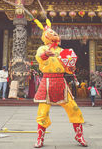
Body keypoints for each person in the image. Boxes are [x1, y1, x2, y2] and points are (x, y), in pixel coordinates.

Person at [32, 18, 87, 147]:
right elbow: (39, 58)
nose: (54, 34)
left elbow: (67, 68)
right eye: (51, 33)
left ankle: (79, 135)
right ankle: (40, 138)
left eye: (55, 33)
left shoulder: (63, 51)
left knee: (74, 108)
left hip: (61, 82)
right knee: (43, 112)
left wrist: (71, 68)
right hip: (47, 82)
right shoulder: (42, 48)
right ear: (45, 36)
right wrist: (45, 54)